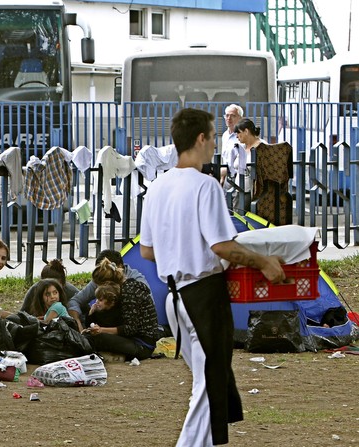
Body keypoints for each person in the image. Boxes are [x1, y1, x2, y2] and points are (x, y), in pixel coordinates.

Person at [140, 108, 285, 446]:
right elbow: (222, 246)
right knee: (208, 385)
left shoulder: (157, 188)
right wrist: (263, 262)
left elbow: (147, 250)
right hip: (202, 293)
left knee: (206, 382)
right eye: (214, 136)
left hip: (174, 296)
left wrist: (180, 249)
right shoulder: (206, 186)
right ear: (202, 138)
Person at [81, 258, 162, 361]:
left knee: (95, 338)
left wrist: (102, 330)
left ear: (107, 284)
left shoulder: (128, 293)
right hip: (136, 340)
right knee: (91, 335)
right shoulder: (127, 287)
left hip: (142, 345)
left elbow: (130, 329)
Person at [67, 249, 148, 331]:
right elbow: (76, 300)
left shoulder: (133, 285)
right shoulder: (101, 278)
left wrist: (102, 330)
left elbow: (132, 326)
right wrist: (77, 322)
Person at [231, 118, 267, 211]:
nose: (237, 136)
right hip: (239, 190)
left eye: (239, 133)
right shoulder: (241, 147)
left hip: (252, 192)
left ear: (246, 131)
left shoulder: (262, 146)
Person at [219, 104, 244, 188]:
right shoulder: (225, 135)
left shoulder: (242, 136)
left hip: (238, 177)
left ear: (240, 118)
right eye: (227, 115)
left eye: (233, 116)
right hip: (225, 177)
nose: (229, 118)